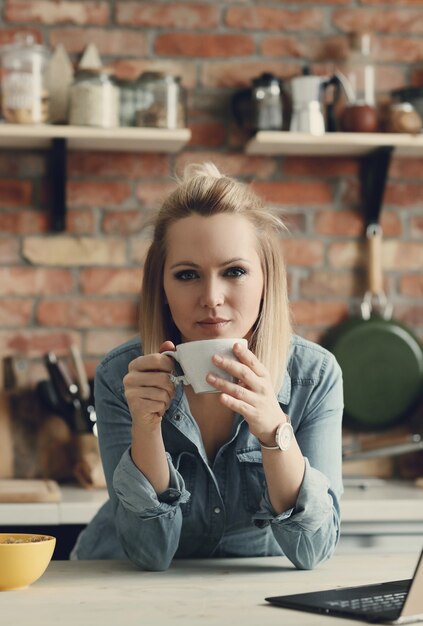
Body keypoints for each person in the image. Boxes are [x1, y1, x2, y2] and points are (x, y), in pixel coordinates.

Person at [72, 162, 343, 570]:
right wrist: (146, 427)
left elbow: (313, 551)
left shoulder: (314, 376)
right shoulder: (121, 376)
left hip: (248, 594)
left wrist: (273, 429)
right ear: (161, 287)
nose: (211, 297)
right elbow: (149, 554)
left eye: (234, 271)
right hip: (121, 586)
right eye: (187, 275)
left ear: (266, 278)